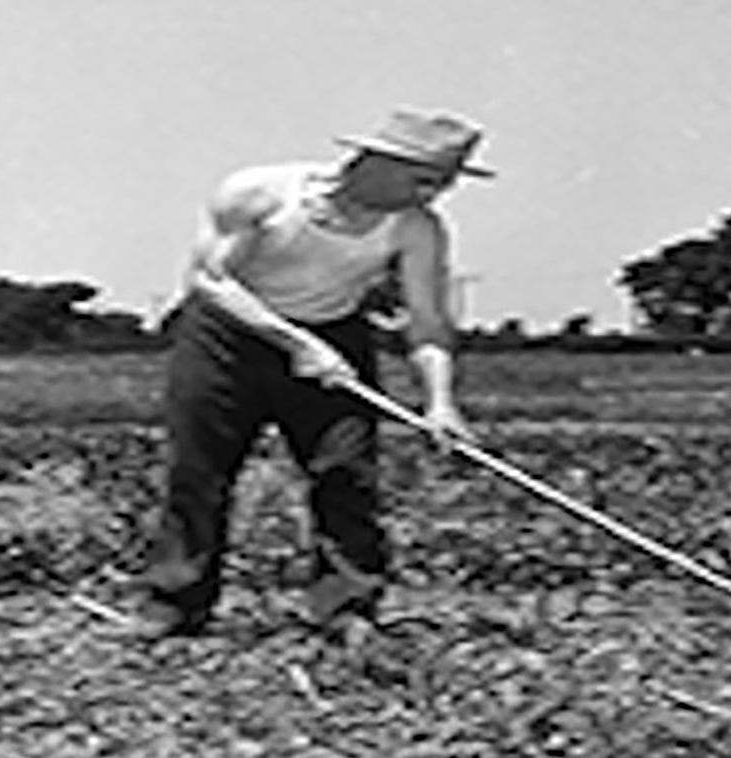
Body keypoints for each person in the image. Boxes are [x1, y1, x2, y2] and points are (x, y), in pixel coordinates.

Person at [124, 110, 494, 639]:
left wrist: (440, 402)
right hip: (225, 337)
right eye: (425, 179)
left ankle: (347, 607)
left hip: (335, 334)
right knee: (199, 473)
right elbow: (212, 281)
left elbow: (428, 321)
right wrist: (296, 343)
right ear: (377, 162)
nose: (434, 194)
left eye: (443, 183)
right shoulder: (259, 192)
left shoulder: (416, 228)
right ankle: (173, 605)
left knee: (345, 472)